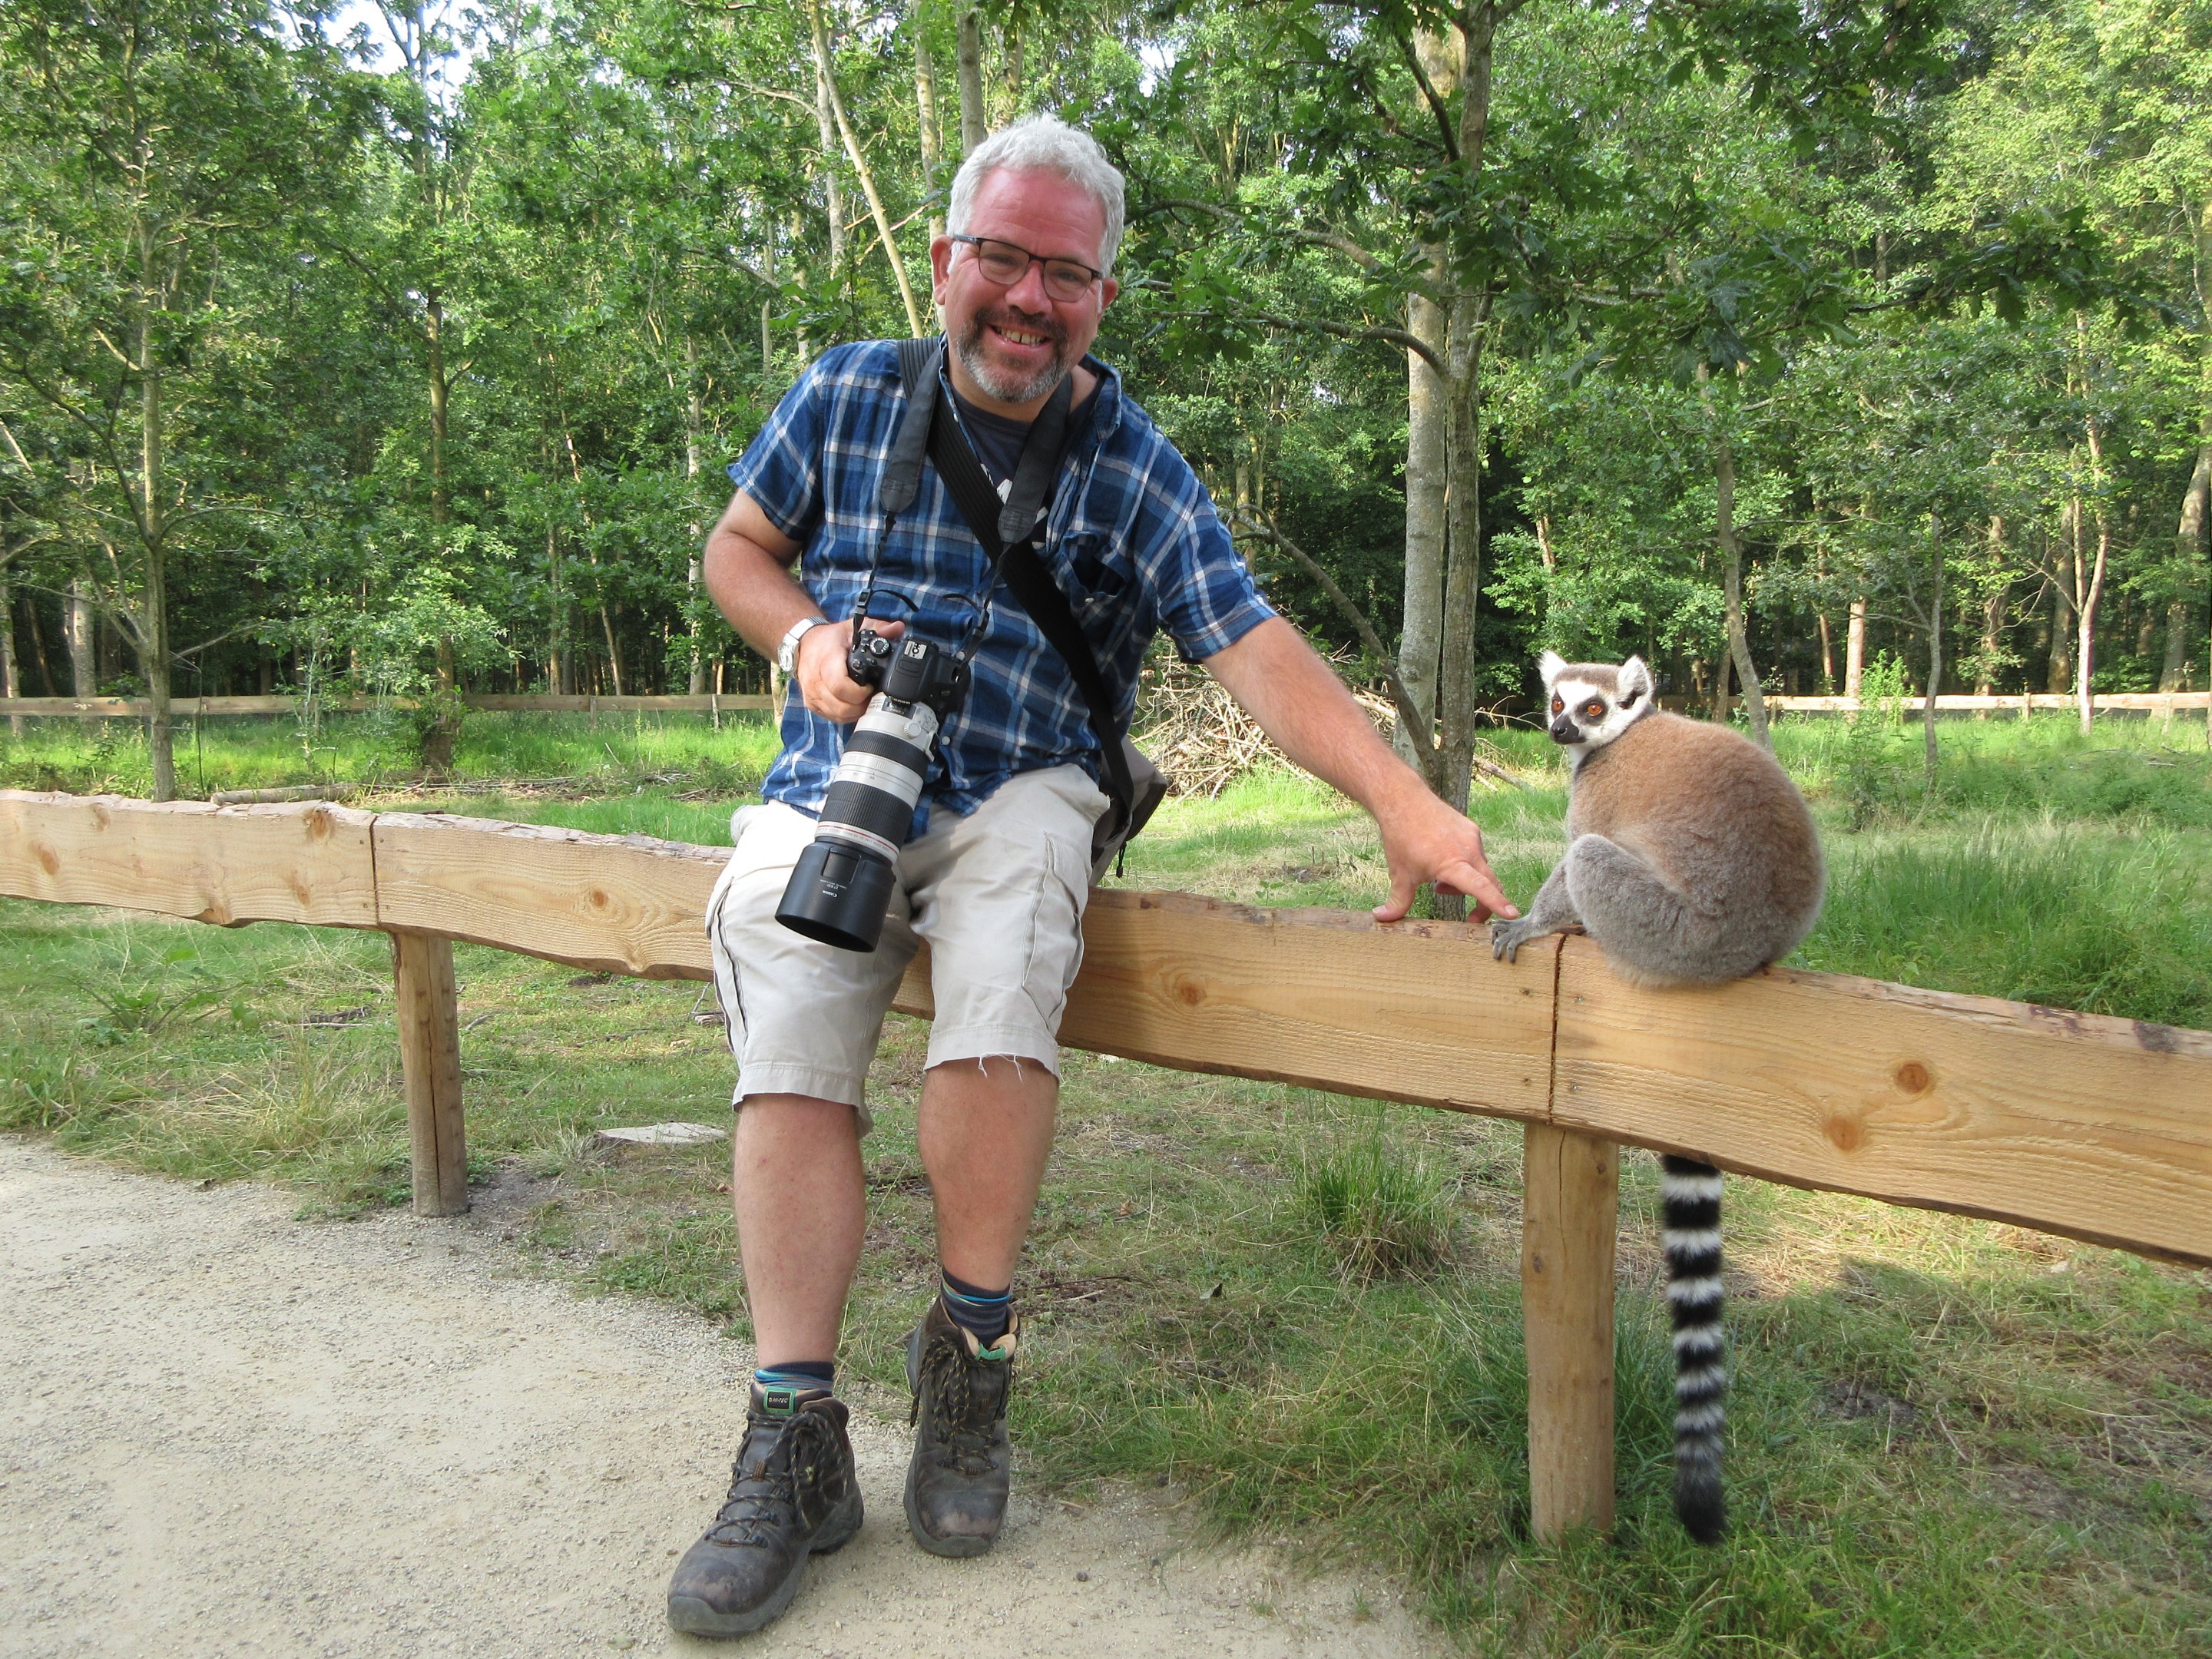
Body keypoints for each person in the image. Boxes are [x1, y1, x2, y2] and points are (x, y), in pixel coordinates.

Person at [665, 114, 1516, 1639]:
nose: (1029, 299)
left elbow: (1249, 643)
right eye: (1002, 258)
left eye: (1068, 272)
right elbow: (736, 547)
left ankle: (970, 1364)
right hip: (837, 783)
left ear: (1102, 298)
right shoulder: (846, 389)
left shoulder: (1132, 464)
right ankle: (793, 1431)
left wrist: (1403, 799)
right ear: (946, 262)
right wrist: (806, 645)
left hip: (1026, 779)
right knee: (783, 977)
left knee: (1014, 935)